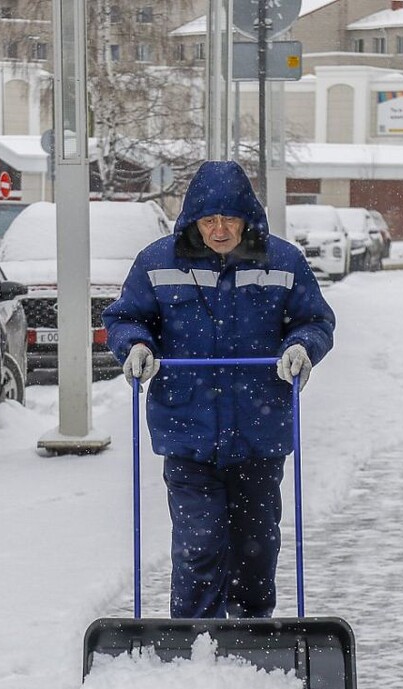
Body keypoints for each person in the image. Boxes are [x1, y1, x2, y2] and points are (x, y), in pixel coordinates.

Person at [102, 160, 336, 620]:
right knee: (200, 543)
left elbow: (314, 321)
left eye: (229, 219)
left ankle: (251, 631)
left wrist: (302, 347)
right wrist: (135, 345)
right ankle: (195, 636)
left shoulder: (283, 262)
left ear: (247, 217)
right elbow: (126, 318)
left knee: (256, 546)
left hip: (259, 431)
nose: (220, 230)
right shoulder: (157, 262)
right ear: (193, 220)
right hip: (187, 430)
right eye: (209, 220)